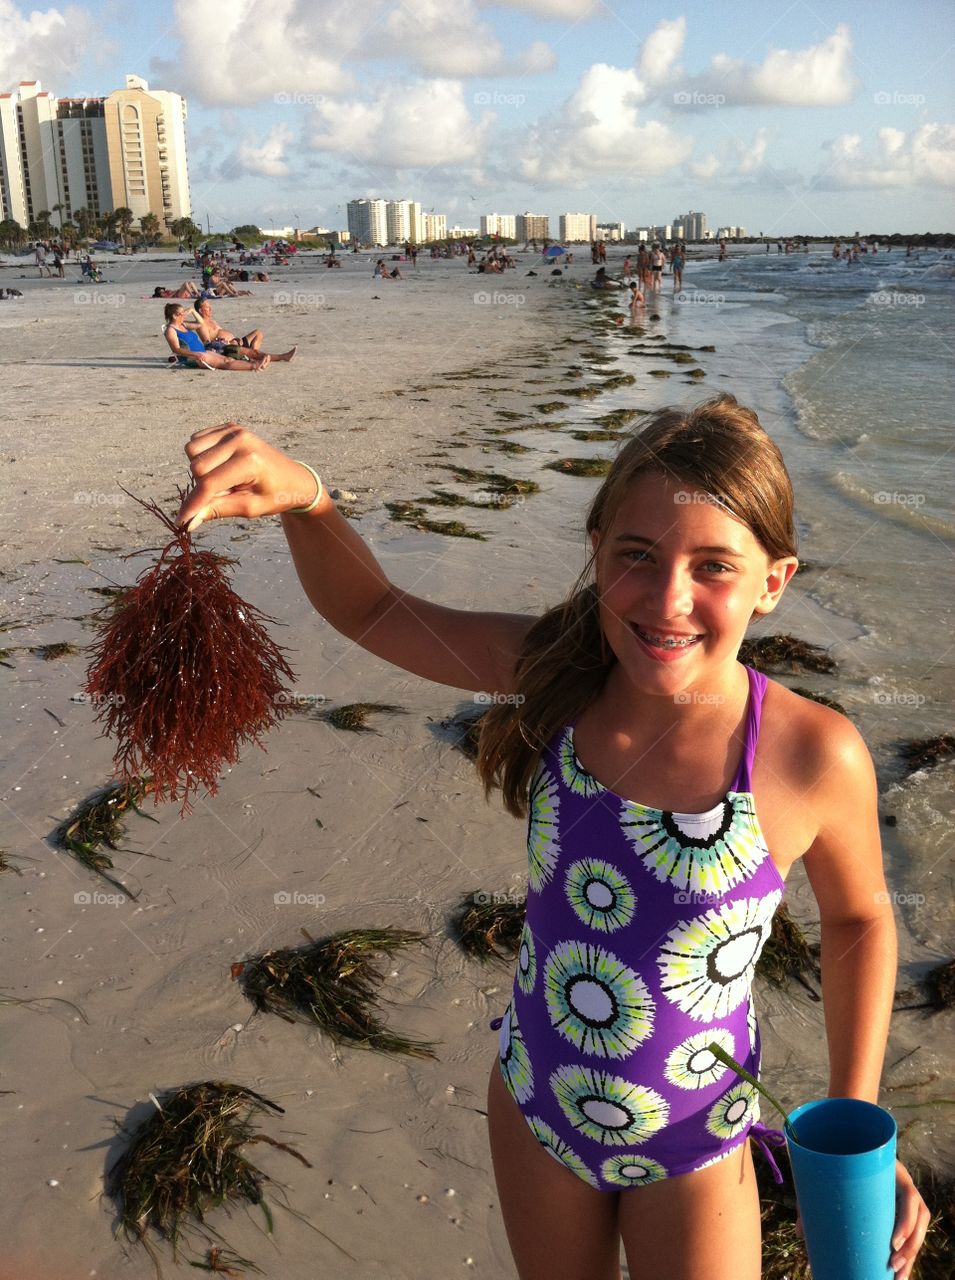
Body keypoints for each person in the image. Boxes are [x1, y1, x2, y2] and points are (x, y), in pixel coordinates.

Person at [174, 396, 930, 1280]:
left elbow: (860, 922)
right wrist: (309, 501)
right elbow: (377, 611)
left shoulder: (810, 753)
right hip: (537, 1105)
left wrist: (852, 1122)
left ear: (772, 581)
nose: (668, 597)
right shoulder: (556, 678)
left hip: (694, 1137)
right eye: (636, 556)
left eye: (713, 565)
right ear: (597, 553)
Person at [162, 303, 295, 369]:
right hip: (195, 358)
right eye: (182, 313)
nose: (184, 314)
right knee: (226, 362)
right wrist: (195, 355)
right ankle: (255, 366)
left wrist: (191, 310)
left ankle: (258, 361)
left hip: (203, 352)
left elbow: (200, 323)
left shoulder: (183, 325)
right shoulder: (171, 330)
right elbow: (176, 350)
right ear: (174, 316)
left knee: (230, 359)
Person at [191, 297, 264, 352]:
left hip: (237, 342)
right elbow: (208, 344)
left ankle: (253, 354)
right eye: (207, 307)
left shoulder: (212, 321)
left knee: (258, 333)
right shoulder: (201, 325)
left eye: (210, 307)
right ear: (200, 310)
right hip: (229, 348)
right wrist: (228, 343)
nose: (210, 309)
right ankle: (253, 355)